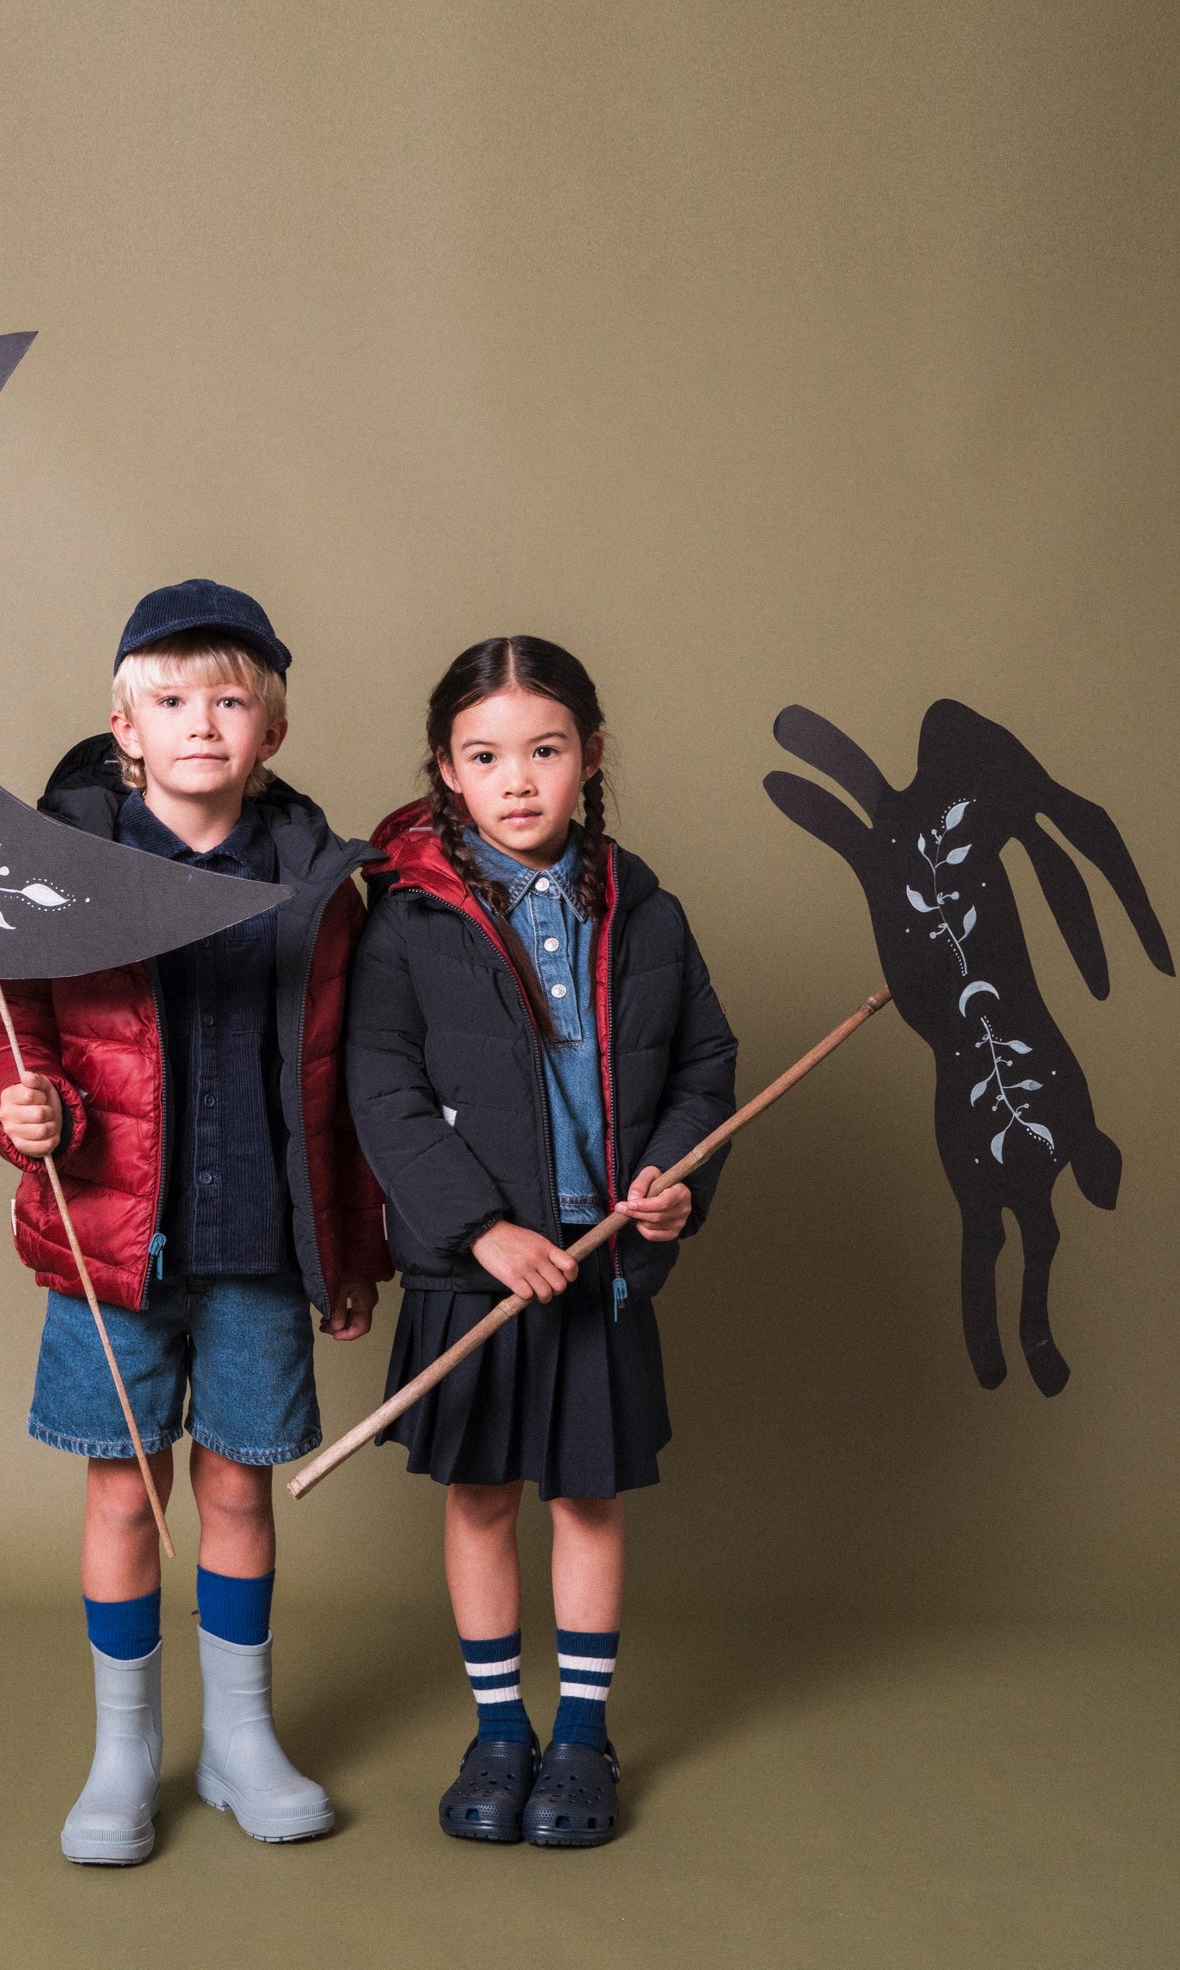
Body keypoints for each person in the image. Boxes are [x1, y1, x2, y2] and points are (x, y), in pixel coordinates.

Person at [0, 579, 389, 1865]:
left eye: (230, 702)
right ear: (124, 729)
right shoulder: (56, 880)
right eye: (170, 701)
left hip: (259, 1243)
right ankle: (126, 1752)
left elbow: (347, 1080)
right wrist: (16, 1101)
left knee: (239, 1492)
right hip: (111, 1247)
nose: (201, 723)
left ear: (271, 731)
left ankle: (244, 1739)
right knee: (123, 1496)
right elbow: (5, 1028)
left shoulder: (318, 886)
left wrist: (352, 1247)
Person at [345, 635, 737, 1848]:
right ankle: (499, 1730)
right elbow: (384, 1093)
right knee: (479, 1496)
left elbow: (704, 1065)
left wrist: (674, 1178)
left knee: (587, 1497)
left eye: (544, 750)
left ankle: (578, 1737)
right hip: (477, 1269)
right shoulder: (407, 922)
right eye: (484, 756)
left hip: (598, 1258)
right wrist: (481, 1229)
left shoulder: (647, 912)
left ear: (591, 756)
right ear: (445, 770)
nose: (516, 780)